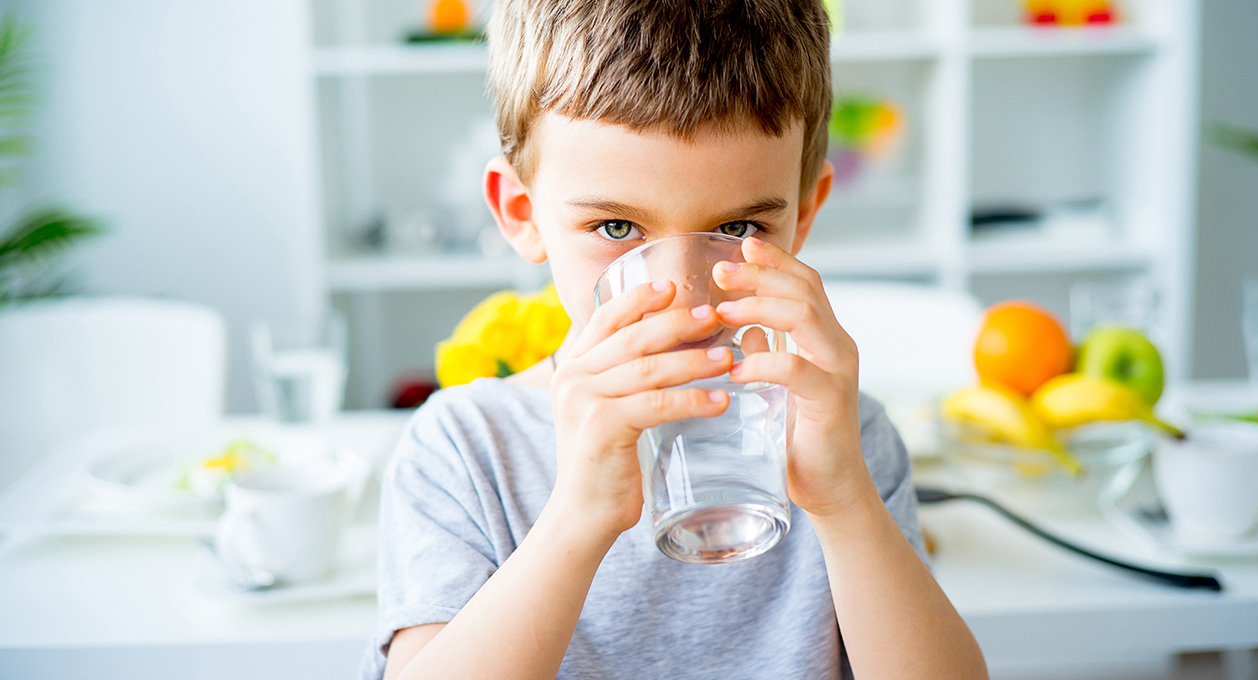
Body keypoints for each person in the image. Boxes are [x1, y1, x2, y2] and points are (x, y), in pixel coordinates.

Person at [360, 0, 988, 677]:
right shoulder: (467, 449)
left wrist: (845, 501)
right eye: (618, 230)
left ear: (802, 214)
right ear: (522, 212)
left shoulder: (843, 438)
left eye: (740, 229)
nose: (685, 293)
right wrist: (578, 517)